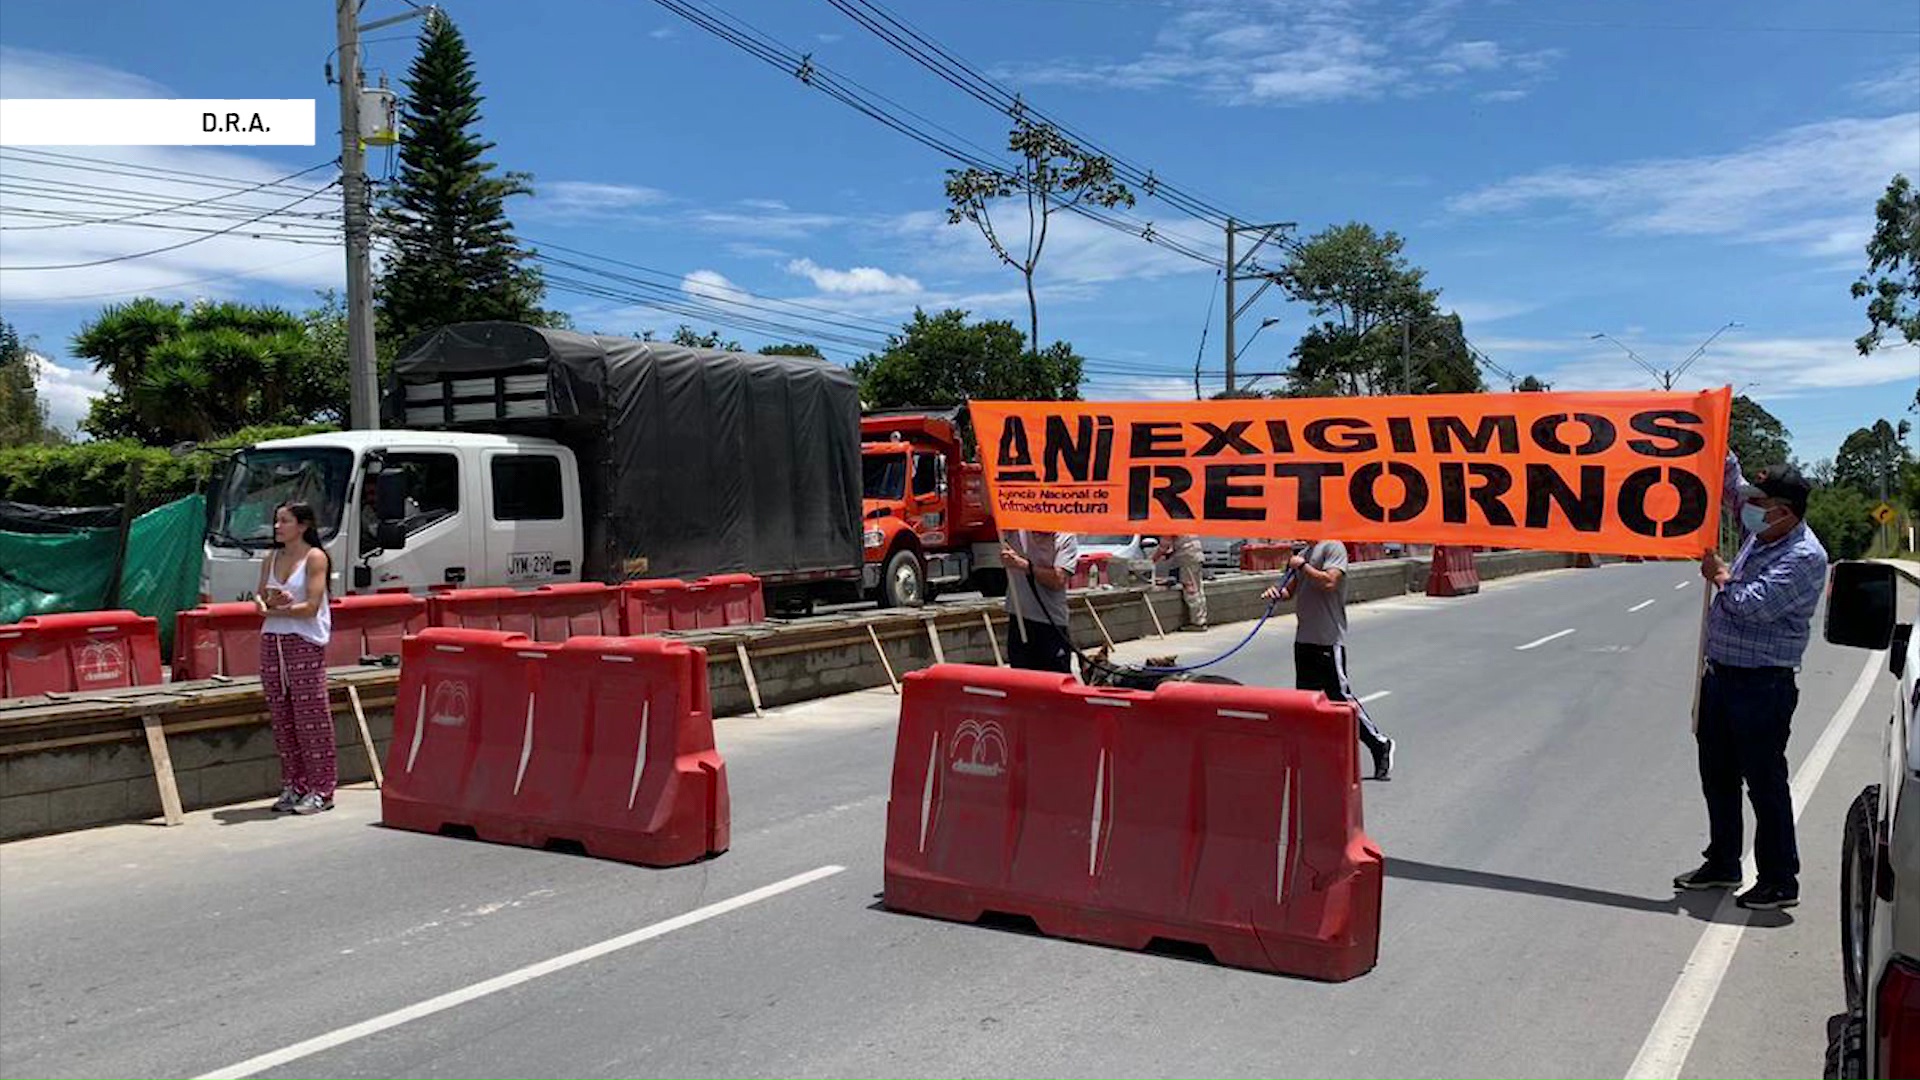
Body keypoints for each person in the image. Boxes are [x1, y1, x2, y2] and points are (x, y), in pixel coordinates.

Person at [1673, 463, 1826, 911]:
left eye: (1760, 504)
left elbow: (1749, 606)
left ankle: (1779, 878)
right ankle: (1722, 861)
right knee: (1717, 775)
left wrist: (1721, 575)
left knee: (1764, 781)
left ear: (1786, 512)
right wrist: (1711, 431)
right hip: (1721, 676)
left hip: (1762, 685)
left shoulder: (1803, 557)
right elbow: (1729, 485)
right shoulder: (1763, 529)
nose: (1750, 510)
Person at [1263, 539, 1396, 781]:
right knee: (1306, 704)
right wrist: (1276, 593)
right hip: (1304, 639)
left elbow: (1330, 582)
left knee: (1340, 699)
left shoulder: (1333, 547)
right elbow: (1290, 590)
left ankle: (1379, 744)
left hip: (1327, 639)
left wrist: (1302, 566)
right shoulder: (1302, 553)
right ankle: (1312, 760)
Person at [255, 502, 337, 815]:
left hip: (304, 641)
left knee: (311, 716)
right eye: (276, 521)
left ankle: (322, 789)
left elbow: (312, 607)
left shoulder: (315, 557)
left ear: (302, 526)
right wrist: (268, 604)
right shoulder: (270, 557)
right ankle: (294, 784)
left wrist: (281, 607)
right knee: (282, 715)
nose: (277, 527)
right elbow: (260, 598)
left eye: (284, 521)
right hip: (273, 639)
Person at [1000, 529, 1079, 673]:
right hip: (1020, 621)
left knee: (1054, 683)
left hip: (1051, 624)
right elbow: (990, 509)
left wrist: (1023, 565)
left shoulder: (1065, 537)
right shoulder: (1018, 531)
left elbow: (1058, 580)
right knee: (1022, 684)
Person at [1154, 534, 1208, 631]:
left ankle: (1197, 623)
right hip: (1196, 556)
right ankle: (1202, 619)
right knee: (1199, 589)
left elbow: (1164, 546)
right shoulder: (1183, 522)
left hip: (1187, 558)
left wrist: (1152, 560)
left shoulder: (1168, 526)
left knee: (1191, 590)